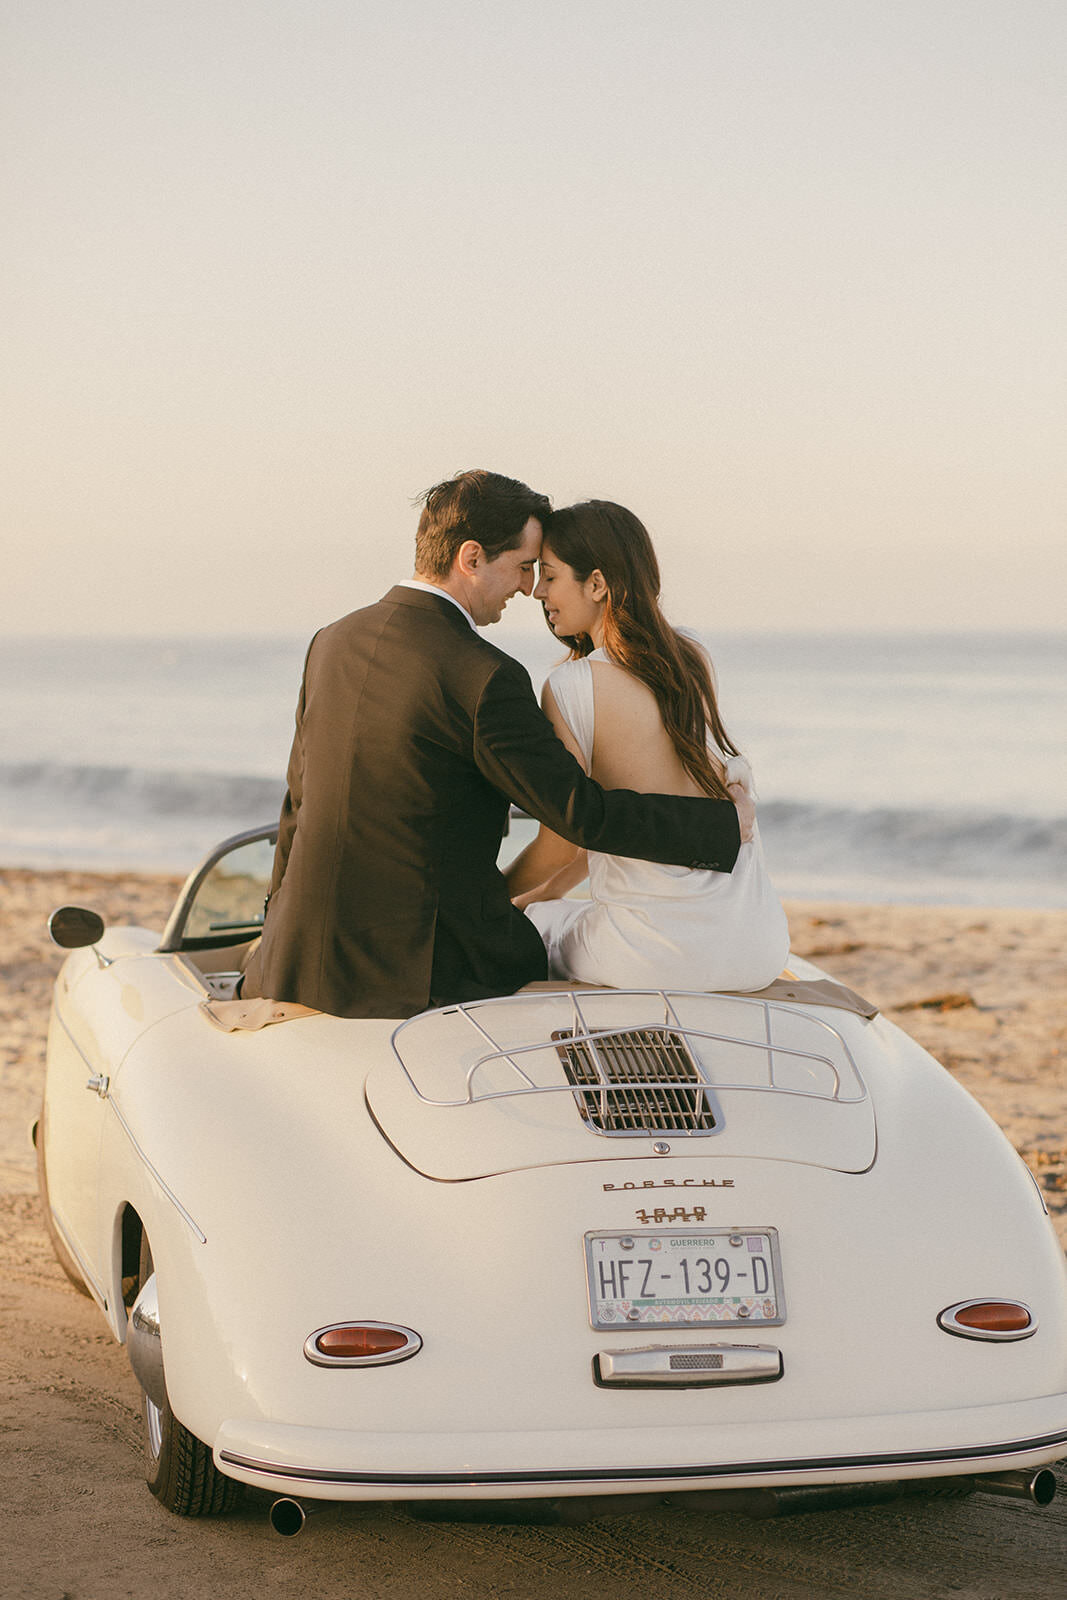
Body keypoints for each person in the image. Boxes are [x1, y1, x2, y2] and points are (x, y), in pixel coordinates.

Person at [241, 471, 754, 1019]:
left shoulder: (333, 640)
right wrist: (722, 826)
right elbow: (577, 813)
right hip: (425, 970)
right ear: (471, 558)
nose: (529, 587)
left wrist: (276, 928)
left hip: (299, 954)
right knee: (539, 939)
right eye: (523, 566)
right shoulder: (483, 674)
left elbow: (297, 802)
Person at [505, 499, 789, 991]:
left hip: (656, 957)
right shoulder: (692, 657)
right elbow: (586, 849)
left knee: (539, 926)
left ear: (596, 584)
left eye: (549, 577)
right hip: (758, 945)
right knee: (550, 911)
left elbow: (565, 840)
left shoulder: (571, 687)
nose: (537, 591)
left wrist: (496, 897)